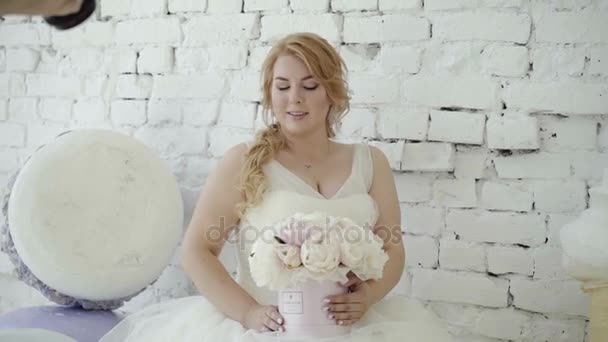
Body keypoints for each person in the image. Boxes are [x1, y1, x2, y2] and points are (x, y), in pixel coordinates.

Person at [99, 32, 453, 341]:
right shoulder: (244, 161)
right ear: (270, 94)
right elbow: (196, 252)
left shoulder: (370, 161)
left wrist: (368, 296)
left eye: (309, 86)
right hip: (269, 329)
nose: (294, 98)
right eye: (282, 86)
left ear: (332, 93)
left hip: (353, 329)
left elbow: (392, 248)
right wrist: (248, 312)